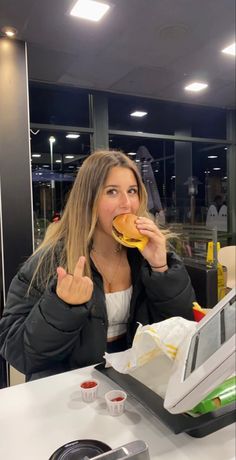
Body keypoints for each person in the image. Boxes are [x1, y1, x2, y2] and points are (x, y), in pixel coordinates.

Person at [0, 150, 195, 381]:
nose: (126, 204)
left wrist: (161, 269)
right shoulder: (50, 261)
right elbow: (17, 350)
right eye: (112, 191)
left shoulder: (147, 254)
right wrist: (63, 307)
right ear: (88, 199)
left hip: (138, 382)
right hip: (72, 390)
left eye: (132, 191)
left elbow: (181, 328)